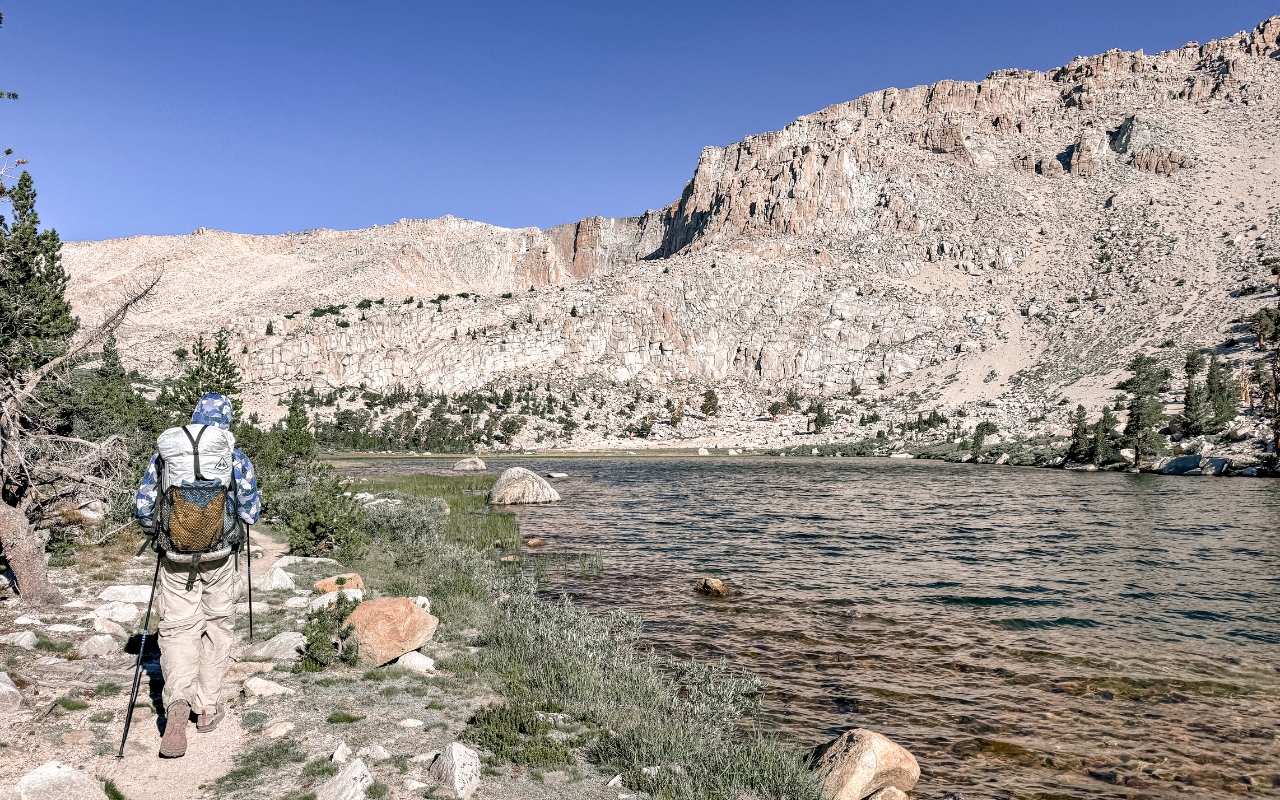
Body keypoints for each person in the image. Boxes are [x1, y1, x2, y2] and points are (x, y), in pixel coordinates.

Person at [135, 393, 260, 758]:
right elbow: (250, 512)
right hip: (220, 556)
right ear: (226, 420)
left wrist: (156, 533)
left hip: (175, 555)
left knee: (176, 627)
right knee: (217, 625)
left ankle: (176, 706)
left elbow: (144, 504)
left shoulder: (168, 453)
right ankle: (205, 708)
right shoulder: (232, 455)